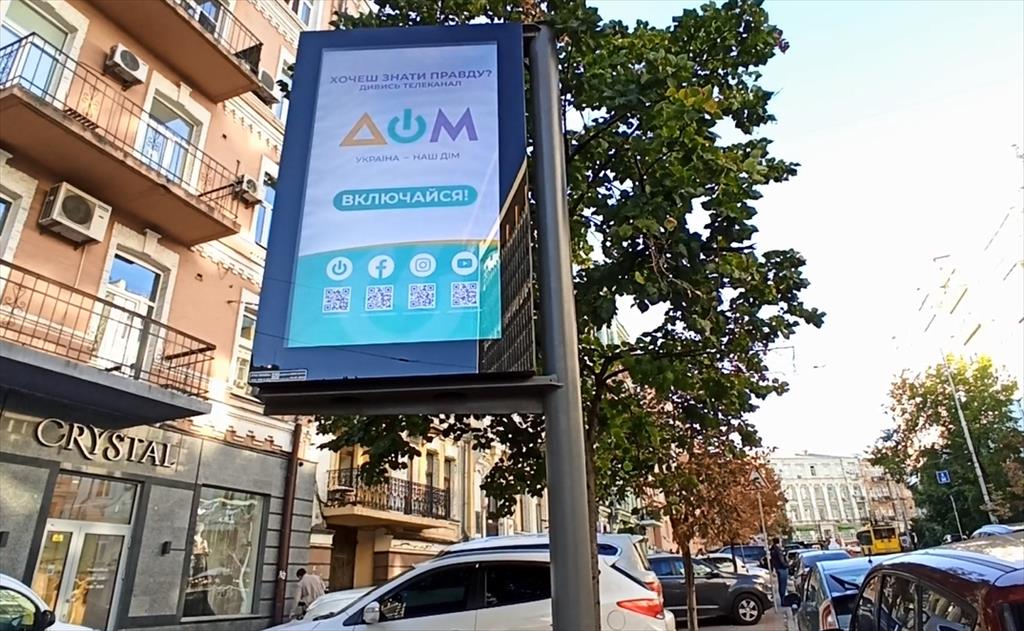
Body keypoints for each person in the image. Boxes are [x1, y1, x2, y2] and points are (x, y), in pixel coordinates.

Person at [769, 537, 788, 605]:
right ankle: (783, 601)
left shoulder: (772, 549)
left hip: (777, 568)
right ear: (778, 542)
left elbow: (772, 560)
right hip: (782, 568)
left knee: (780, 585)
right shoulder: (778, 550)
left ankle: (782, 600)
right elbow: (781, 560)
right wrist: (787, 565)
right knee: (783, 585)